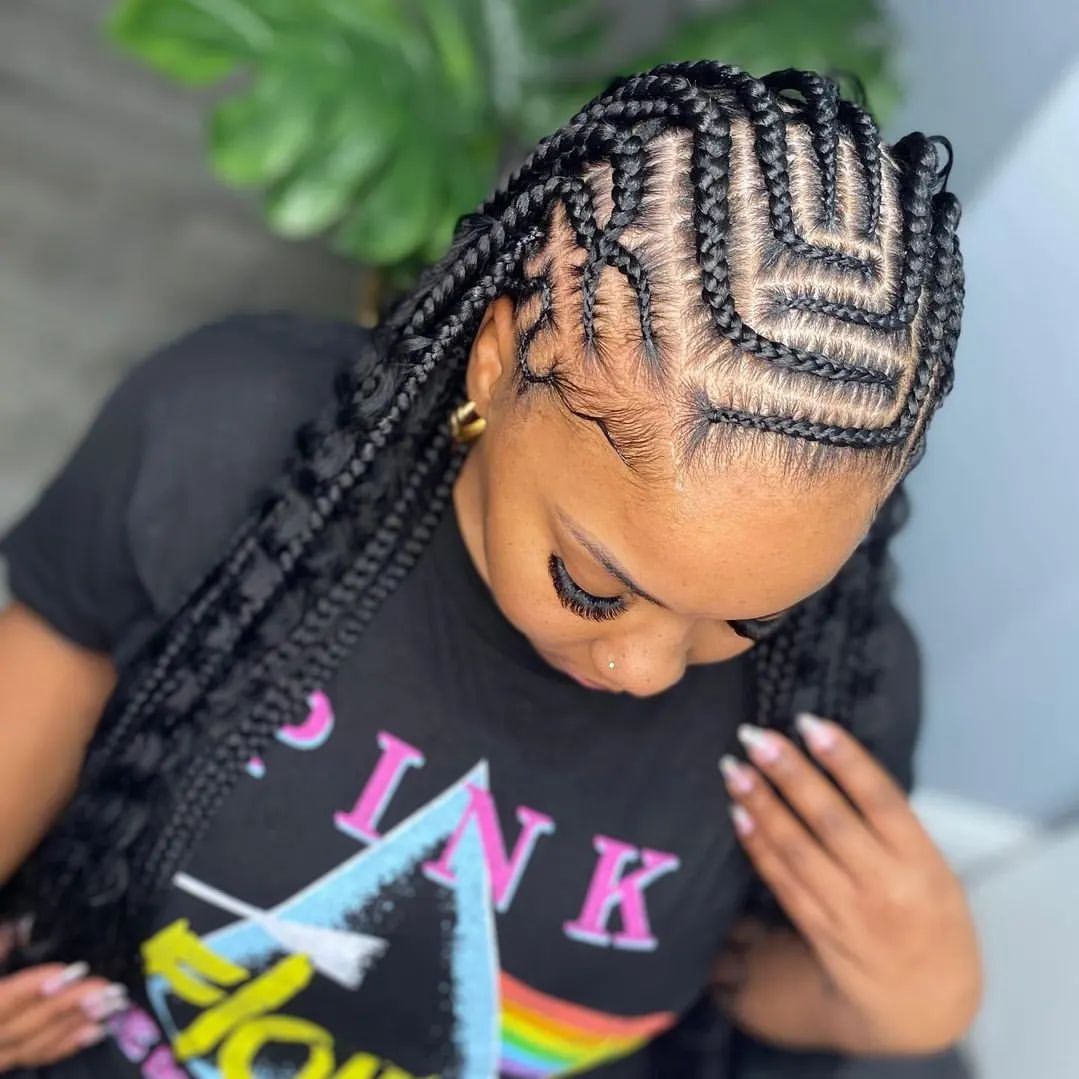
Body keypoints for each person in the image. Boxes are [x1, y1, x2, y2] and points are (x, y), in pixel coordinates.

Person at [0, 62, 979, 1079]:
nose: (646, 667)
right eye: (593, 584)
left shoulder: (832, 688)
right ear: (497, 357)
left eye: (750, 617)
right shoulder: (220, 440)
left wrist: (902, 1005)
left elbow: (733, 993)